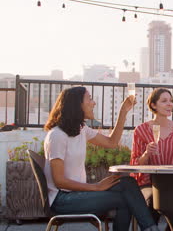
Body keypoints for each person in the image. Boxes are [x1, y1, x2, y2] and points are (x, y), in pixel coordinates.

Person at [43, 86, 159, 231]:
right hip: (62, 200)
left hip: (77, 194)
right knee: (124, 200)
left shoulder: (81, 129)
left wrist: (123, 112)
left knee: (128, 182)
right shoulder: (57, 136)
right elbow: (59, 181)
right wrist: (95, 187)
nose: (94, 103)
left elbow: (112, 143)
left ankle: (151, 228)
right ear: (77, 104)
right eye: (89, 99)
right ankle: (152, 228)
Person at [130, 88, 173, 221]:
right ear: (153, 105)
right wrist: (146, 154)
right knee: (154, 200)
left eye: (171, 101)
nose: (170, 104)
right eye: (164, 101)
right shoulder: (140, 130)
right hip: (148, 183)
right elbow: (135, 164)